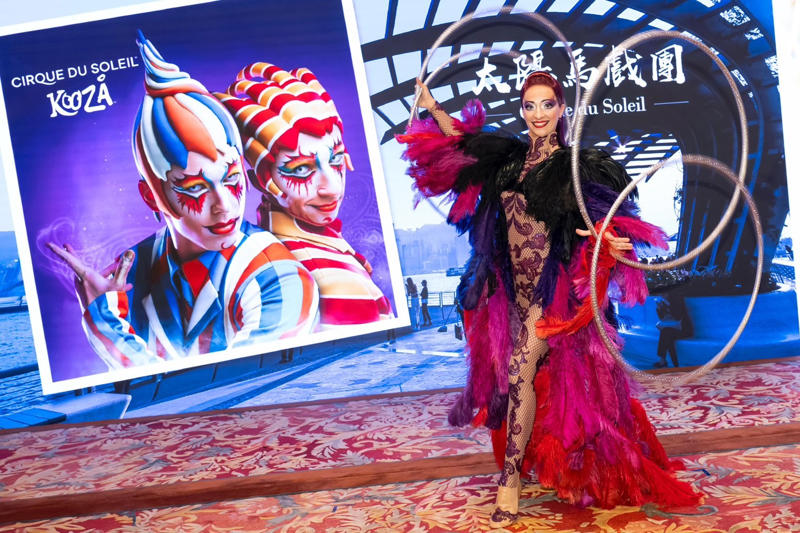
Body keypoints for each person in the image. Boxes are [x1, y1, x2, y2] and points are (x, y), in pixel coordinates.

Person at [400, 73, 700, 527]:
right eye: (530, 105)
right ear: (522, 110)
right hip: (508, 294)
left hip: (552, 294)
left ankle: (509, 483)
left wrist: (609, 239)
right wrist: (431, 105)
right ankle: (537, 462)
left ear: (561, 109)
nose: (538, 114)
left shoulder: (576, 169)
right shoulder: (506, 159)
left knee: (521, 369)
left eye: (547, 104)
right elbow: (463, 143)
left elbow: (606, 217)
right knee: (516, 380)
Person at [47, 33, 319, 370]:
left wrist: (105, 323)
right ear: (153, 196)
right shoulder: (128, 274)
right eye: (194, 188)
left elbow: (234, 380)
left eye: (232, 179)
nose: (224, 205)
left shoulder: (280, 279)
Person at [214, 64, 392, 329]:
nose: (332, 188)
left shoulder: (275, 252)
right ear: (261, 182)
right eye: (300, 170)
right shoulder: (329, 277)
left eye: (336, 160)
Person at [655, 291, 693, 368]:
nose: (662, 295)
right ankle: (673, 364)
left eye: (663, 293)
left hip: (684, 330)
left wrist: (668, 304)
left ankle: (664, 361)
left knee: (666, 333)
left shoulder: (677, 300)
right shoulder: (663, 302)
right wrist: (659, 308)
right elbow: (662, 318)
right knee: (667, 334)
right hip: (672, 329)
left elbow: (677, 316)